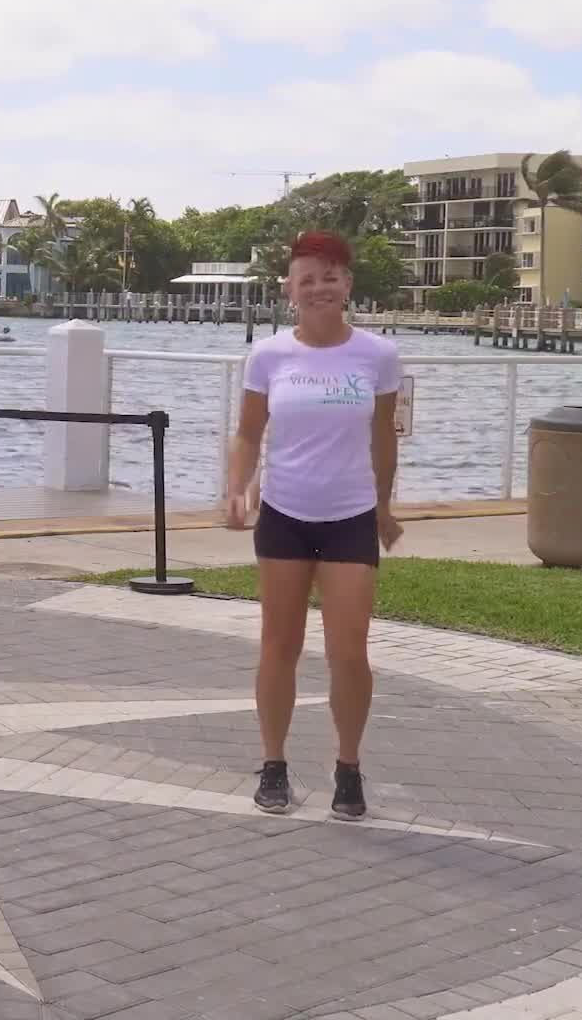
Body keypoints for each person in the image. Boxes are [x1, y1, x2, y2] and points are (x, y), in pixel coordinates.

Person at [225, 229, 402, 821]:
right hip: (283, 515)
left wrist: (383, 505)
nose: (320, 288)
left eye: (331, 277)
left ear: (348, 284)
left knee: (349, 652)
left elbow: (382, 435)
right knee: (280, 646)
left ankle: (347, 767)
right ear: (290, 290)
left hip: (350, 517)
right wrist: (237, 488)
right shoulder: (269, 356)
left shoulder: (378, 356)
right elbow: (250, 432)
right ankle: (273, 765)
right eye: (308, 279)